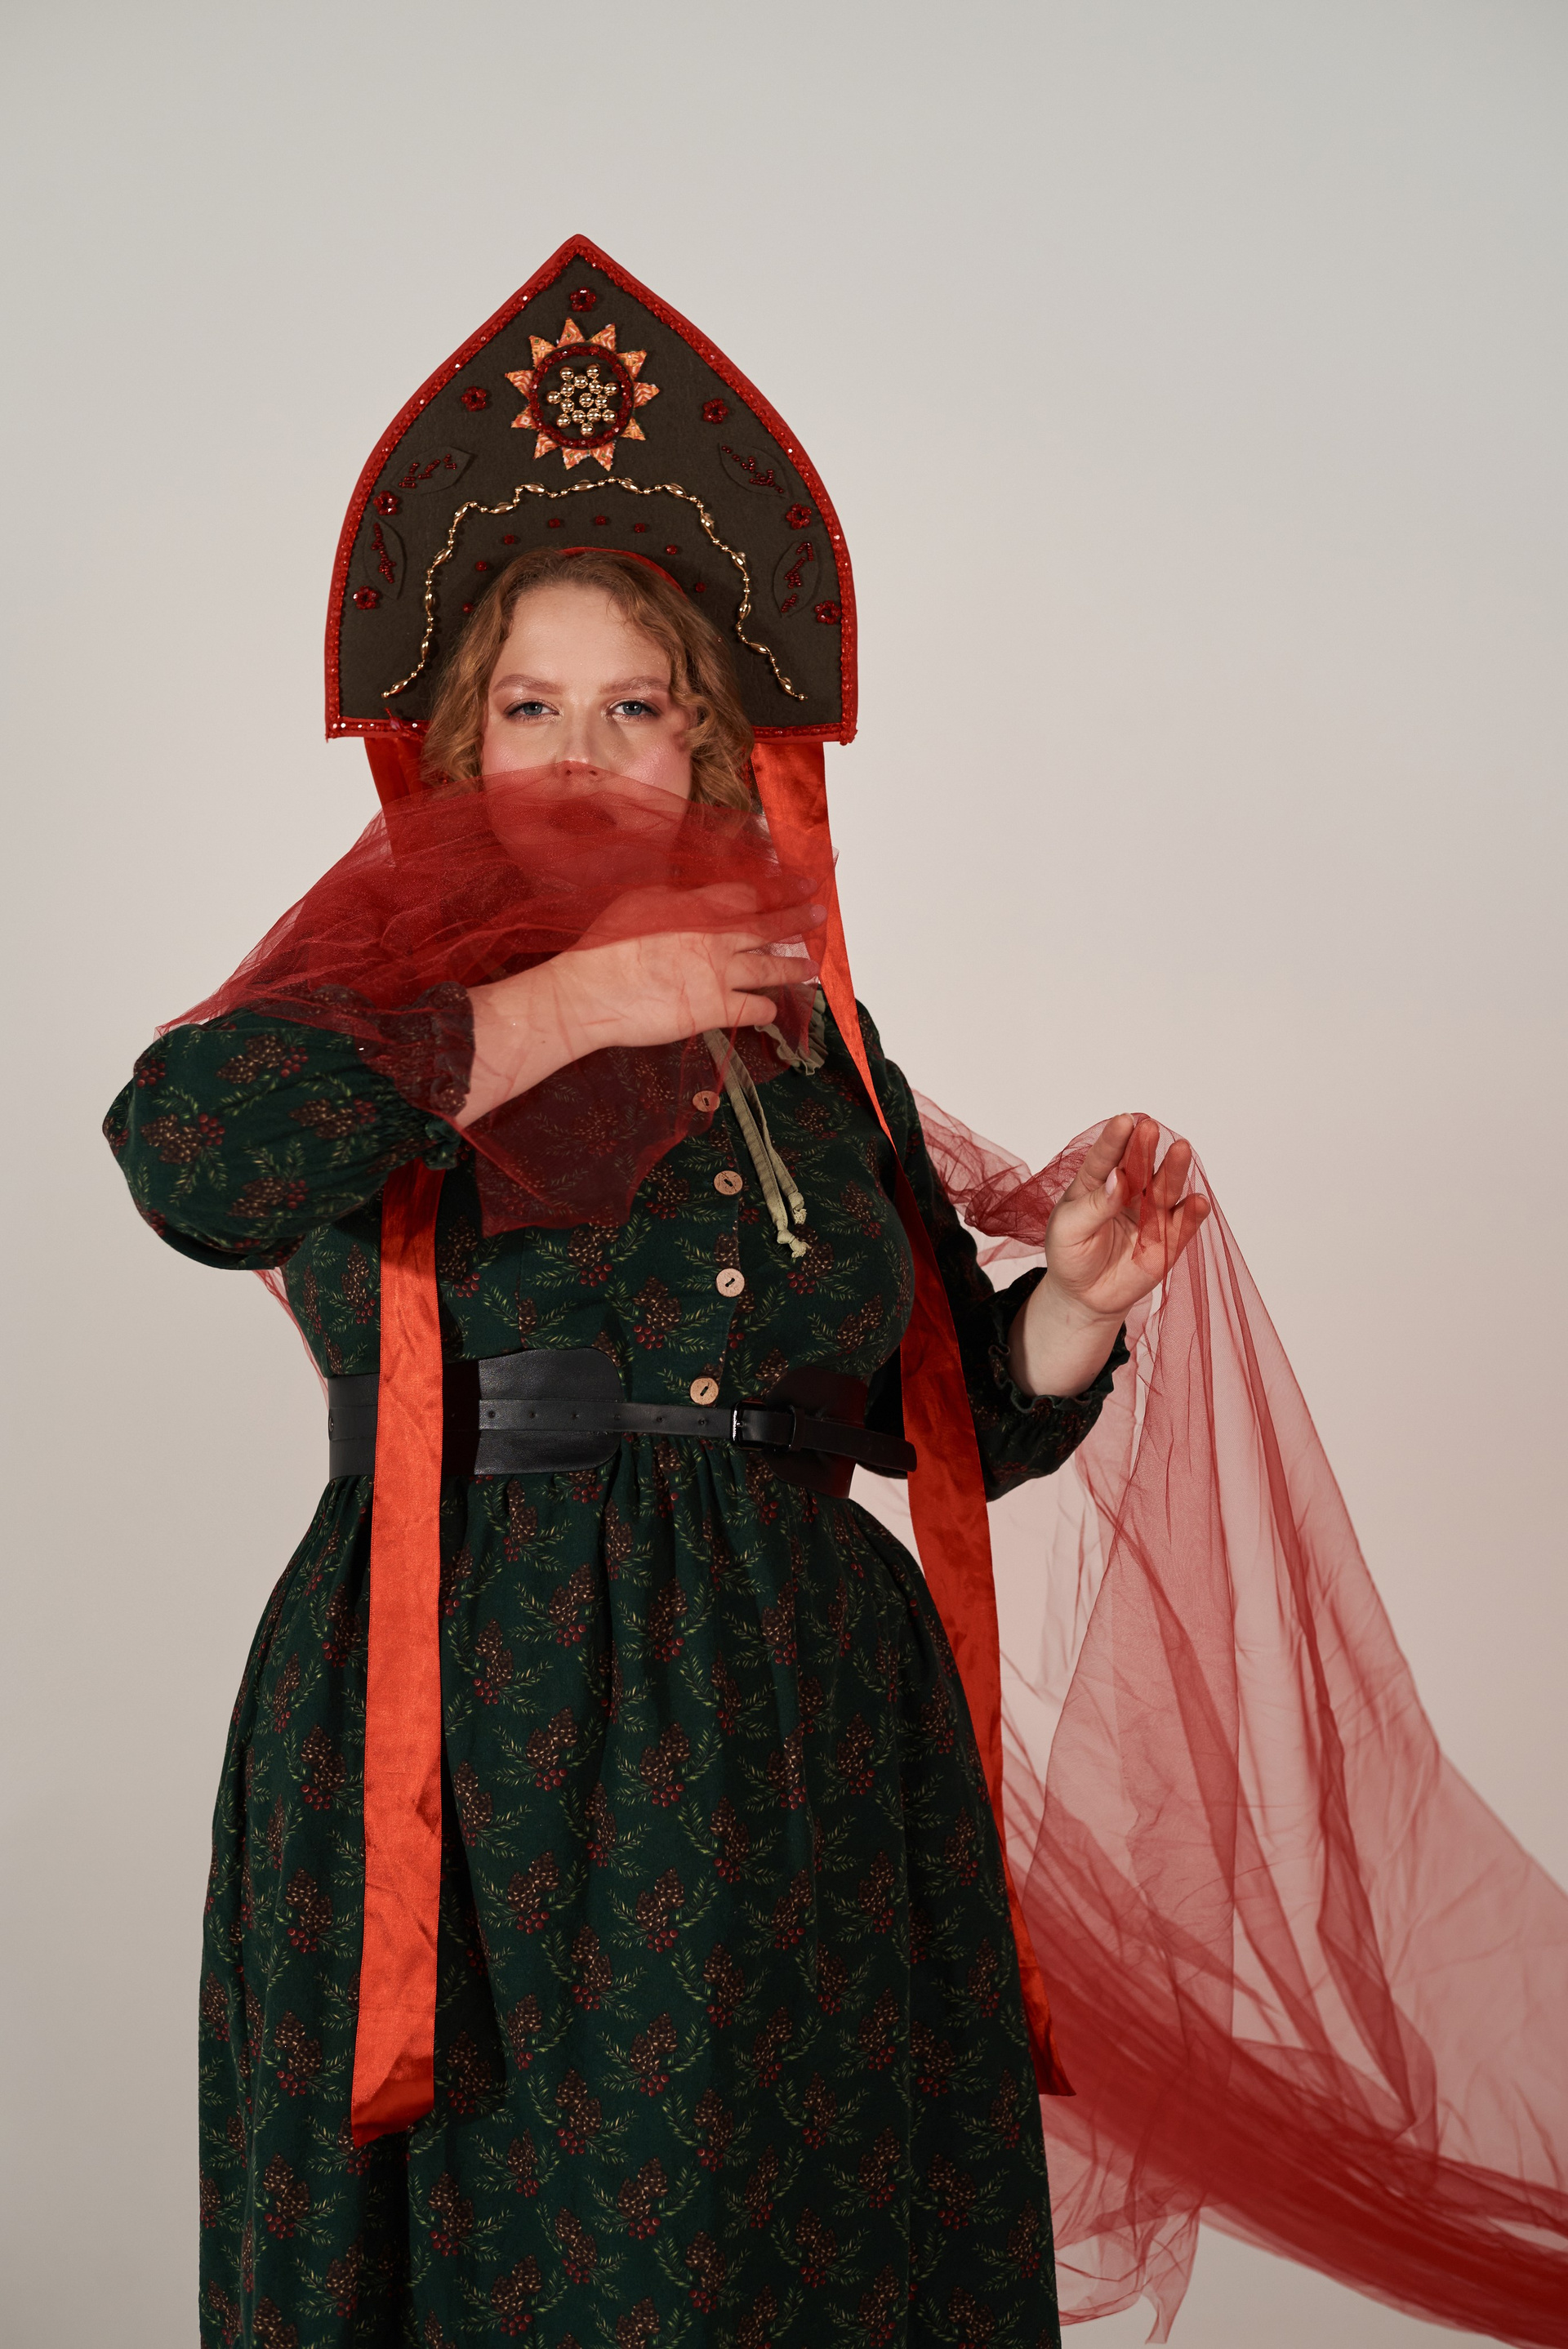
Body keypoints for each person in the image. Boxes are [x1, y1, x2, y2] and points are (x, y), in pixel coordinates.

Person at [106, 238, 1568, 2349]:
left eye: (638, 705)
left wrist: (1075, 1303)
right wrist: (564, 1005)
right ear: (459, 740)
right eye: (532, 706)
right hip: (479, 1725)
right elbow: (187, 1162)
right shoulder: (373, 999)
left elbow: (930, 1401)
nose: (585, 752)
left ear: (711, 742)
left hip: (800, 1736)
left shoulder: (798, 1023)